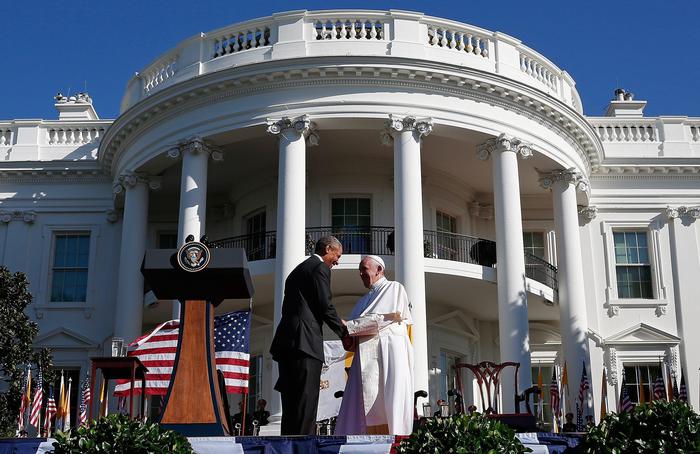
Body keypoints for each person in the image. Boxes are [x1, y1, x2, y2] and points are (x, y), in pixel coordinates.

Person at [270, 236, 347, 435]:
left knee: (291, 404)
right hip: (305, 343)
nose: (337, 261)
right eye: (337, 255)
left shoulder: (296, 271)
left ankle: (288, 445)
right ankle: (303, 447)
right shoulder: (319, 268)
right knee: (306, 403)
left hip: (287, 343)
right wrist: (343, 331)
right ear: (328, 249)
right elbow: (325, 304)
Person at [335, 255, 414, 436]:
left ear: (379, 270)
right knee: (359, 407)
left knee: (390, 399)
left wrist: (348, 326)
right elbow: (353, 336)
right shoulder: (362, 301)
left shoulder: (394, 287)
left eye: (365, 269)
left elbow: (381, 319)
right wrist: (347, 337)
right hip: (364, 358)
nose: (361, 274)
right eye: (360, 271)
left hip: (388, 352)